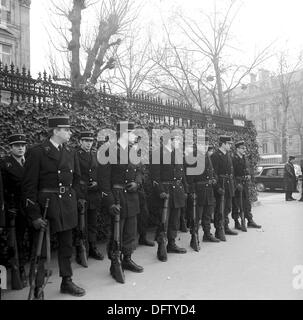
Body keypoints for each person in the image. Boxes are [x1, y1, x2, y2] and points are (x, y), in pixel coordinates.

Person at [22, 115, 86, 298]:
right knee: (41, 249)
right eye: (66, 130)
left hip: (66, 204)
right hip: (45, 205)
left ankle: (67, 281)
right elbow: (28, 186)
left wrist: (73, 198)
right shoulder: (37, 152)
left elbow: (76, 179)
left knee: (66, 245)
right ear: (56, 131)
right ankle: (39, 287)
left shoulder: (70, 152)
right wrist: (34, 215)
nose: (70, 133)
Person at [98, 121, 144, 283]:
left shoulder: (134, 150)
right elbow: (103, 181)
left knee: (130, 231)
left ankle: (127, 258)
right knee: (117, 231)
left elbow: (139, 171)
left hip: (131, 195)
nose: (135, 136)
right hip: (117, 195)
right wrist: (110, 202)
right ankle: (115, 263)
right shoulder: (108, 151)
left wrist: (137, 183)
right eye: (132, 133)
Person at [151, 134, 188, 262]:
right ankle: (161, 246)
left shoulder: (177, 154)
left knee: (174, 220)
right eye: (177, 140)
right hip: (165, 192)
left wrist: (185, 189)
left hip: (177, 191)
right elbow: (155, 177)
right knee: (163, 221)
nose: (179, 142)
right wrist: (160, 191)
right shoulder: (157, 153)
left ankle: (171, 244)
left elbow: (182, 174)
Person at [0, 133, 29, 287]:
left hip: (29, 207)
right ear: (10, 148)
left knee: (30, 237)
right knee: (16, 241)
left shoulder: (29, 162)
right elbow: (2, 190)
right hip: (14, 209)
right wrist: (7, 208)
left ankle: (32, 268)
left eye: (23, 145)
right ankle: (19, 270)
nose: (20, 148)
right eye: (17, 145)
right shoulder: (5, 164)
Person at [75, 131, 104, 264]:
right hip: (81, 193)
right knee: (81, 224)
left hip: (93, 193)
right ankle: (80, 251)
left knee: (92, 223)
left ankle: (92, 247)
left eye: (90, 141)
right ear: (80, 142)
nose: (88, 143)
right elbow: (74, 176)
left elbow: (98, 172)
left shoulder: (94, 155)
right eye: (85, 141)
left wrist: (97, 183)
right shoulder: (75, 155)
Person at [194, 137, 220, 245]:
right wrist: (192, 191)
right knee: (197, 216)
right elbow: (190, 177)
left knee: (208, 214)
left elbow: (212, 171)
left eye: (206, 145)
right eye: (203, 145)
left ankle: (207, 234)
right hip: (199, 190)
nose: (205, 147)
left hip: (208, 189)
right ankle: (194, 236)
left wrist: (214, 179)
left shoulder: (206, 156)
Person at [211, 135, 238, 241]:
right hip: (221, 184)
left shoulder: (228, 155)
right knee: (219, 209)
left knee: (227, 208)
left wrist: (233, 184)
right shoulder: (215, 156)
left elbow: (232, 171)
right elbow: (214, 173)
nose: (230, 145)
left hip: (228, 184)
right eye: (229, 144)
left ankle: (225, 227)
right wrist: (217, 187)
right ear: (223, 144)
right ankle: (219, 230)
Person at [232, 141, 261, 230]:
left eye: (245, 148)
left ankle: (249, 220)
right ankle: (237, 222)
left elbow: (248, 169)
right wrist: (236, 184)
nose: (245, 150)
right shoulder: (233, 159)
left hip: (244, 183)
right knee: (236, 204)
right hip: (237, 184)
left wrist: (249, 175)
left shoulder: (244, 158)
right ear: (237, 149)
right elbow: (232, 174)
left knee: (247, 203)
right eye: (242, 148)